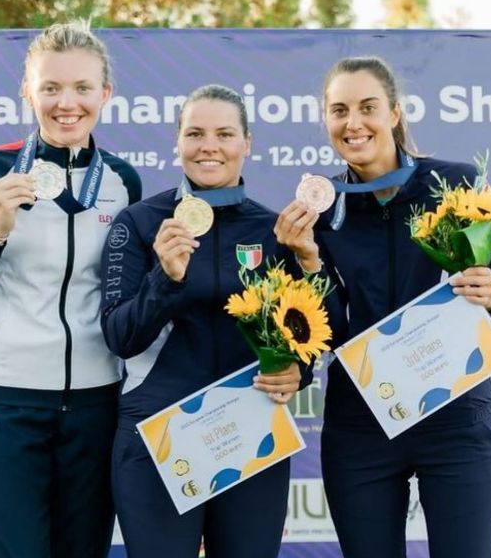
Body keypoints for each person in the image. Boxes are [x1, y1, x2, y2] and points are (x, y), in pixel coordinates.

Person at [100, 84, 347, 558]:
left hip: (249, 430)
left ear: (246, 143)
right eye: (194, 133)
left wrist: (300, 372)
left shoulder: (276, 231)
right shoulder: (140, 222)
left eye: (224, 133)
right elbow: (119, 337)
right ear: (177, 143)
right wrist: (165, 280)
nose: (208, 146)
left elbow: (319, 333)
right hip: (158, 434)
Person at [0, 21, 141, 558]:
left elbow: (130, 296)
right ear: (28, 92)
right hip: (5, 403)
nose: (65, 102)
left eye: (81, 88)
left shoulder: (123, 181)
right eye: (50, 87)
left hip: (97, 405)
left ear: (105, 95)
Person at [316, 56, 491, 558]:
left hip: (455, 419)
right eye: (339, 110)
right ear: (326, 120)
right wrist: (306, 262)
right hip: (361, 425)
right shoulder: (322, 209)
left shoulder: (455, 187)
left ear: (393, 112)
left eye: (367, 107)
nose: (354, 123)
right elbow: (325, 328)